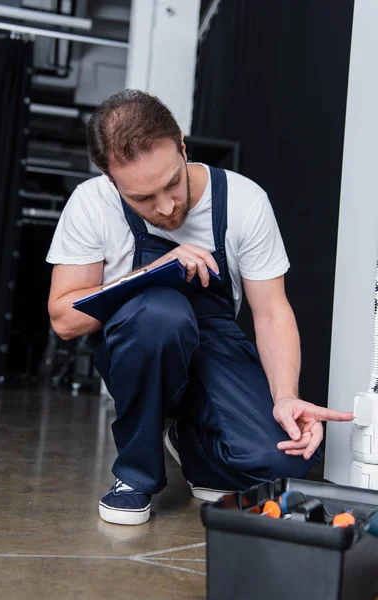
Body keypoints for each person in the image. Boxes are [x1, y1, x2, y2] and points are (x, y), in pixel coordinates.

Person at [46, 90, 353, 526]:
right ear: (110, 179)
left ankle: (188, 440)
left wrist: (286, 396)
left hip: (212, 344)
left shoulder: (244, 201)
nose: (167, 207)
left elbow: (271, 313)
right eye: (143, 199)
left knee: (282, 460)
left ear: (183, 147)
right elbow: (64, 319)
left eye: (172, 182)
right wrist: (152, 272)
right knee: (159, 314)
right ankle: (136, 475)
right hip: (142, 343)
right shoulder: (91, 204)